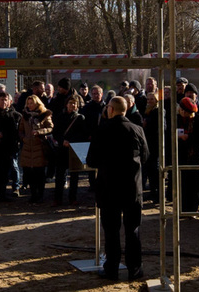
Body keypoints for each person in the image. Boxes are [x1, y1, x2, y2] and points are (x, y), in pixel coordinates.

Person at [86, 96, 151, 282]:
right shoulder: (137, 129)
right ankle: (135, 269)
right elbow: (146, 156)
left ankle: (112, 269)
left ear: (111, 110)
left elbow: (92, 160)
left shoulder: (102, 130)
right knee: (133, 230)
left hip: (109, 189)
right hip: (132, 188)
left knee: (111, 231)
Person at [17, 93, 54, 203]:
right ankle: (33, 194)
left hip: (40, 146)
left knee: (40, 173)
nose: (30, 105)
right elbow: (21, 129)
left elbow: (50, 127)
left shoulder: (44, 114)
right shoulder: (25, 115)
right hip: (28, 146)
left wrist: (39, 132)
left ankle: (40, 194)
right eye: (28, 103)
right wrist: (23, 138)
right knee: (30, 173)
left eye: (31, 103)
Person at [52, 94, 86, 205]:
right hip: (62, 149)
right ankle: (58, 198)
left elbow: (82, 134)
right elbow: (56, 132)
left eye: (74, 103)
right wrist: (63, 141)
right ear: (66, 104)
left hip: (74, 149)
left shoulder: (80, 118)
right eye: (70, 103)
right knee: (60, 175)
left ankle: (73, 198)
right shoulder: (60, 117)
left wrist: (71, 142)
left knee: (74, 176)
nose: (72, 105)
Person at [174, 89, 199, 212]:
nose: (183, 113)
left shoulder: (198, 120)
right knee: (182, 183)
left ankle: (193, 207)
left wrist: (189, 137)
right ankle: (182, 208)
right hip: (180, 155)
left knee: (194, 182)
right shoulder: (176, 119)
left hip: (194, 155)